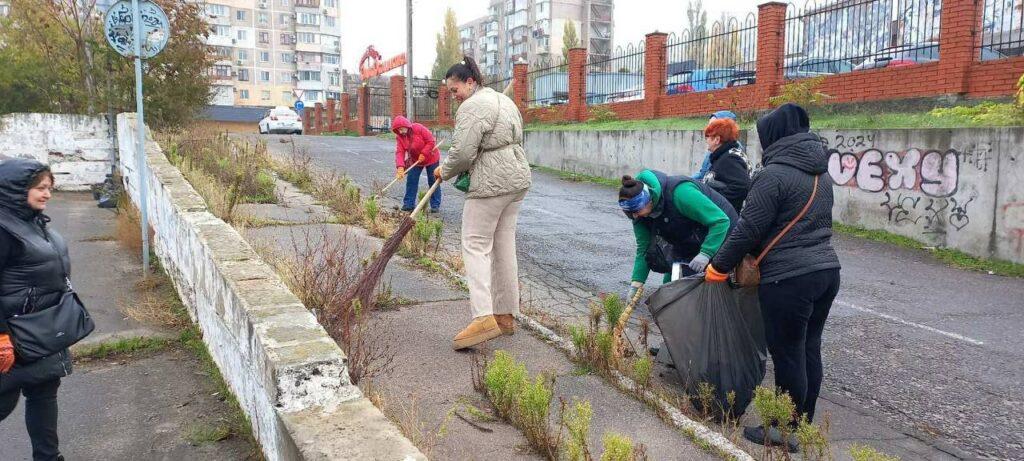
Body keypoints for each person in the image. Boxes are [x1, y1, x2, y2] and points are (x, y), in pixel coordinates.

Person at [706, 103, 841, 452]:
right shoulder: (820, 173)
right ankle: (802, 424)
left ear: (774, 138)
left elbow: (748, 229)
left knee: (788, 354)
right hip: (826, 271)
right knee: (809, 348)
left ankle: (783, 429)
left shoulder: (774, 175)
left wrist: (718, 266)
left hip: (789, 279)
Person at [434, 56, 532, 350]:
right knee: (503, 245)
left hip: (492, 183)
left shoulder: (473, 106)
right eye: (451, 93)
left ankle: (482, 318)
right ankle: (504, 315)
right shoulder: (504, 102)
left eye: (455, 90)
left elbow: (463, 152)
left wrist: (444, 170)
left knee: (475, 245)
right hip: (517, 179)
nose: (454, 97)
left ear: (470, 82)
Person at [0, 159, 71, 461]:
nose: (47, 194)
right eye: (40, 187)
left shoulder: (35, 223)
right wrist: (2, 338)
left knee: (43, 395)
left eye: (49, 188)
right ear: (17, 189)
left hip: (40, 333)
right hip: (12, 338)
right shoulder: (4, 230)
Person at [620, 169, 737, 301]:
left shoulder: (680, 193)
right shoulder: (639, 215)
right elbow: (644, 249)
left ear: (649, 200)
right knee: (670, 290)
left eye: (636, 211)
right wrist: (636, 283)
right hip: (687, 239)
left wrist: (706, 253)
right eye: (630, 213)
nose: (634, 215)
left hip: (720, 233)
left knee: (706, 292)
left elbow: (720, 221)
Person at [392, 115, 442, 213]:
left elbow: (431, 141)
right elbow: (400, 152)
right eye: (398, 130)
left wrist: (424, 153)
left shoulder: (418, 128)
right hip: (415, 160)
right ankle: (408, 204)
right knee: (411, 180)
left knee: (433, 180)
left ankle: (435, 205)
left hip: (431, 157)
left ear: (406, 125)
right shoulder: (400, 138)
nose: (401, 132)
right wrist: (400, 167)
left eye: (402, 129)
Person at [703, 117, 752, 213]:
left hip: (727, 217)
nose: (706, 141)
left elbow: (742, 186)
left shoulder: (729, 159)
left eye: (707, 137)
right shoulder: (727, 155)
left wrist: (716, 200)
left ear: (717, 139)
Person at [693, 110, 740, 180]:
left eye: (712, 125)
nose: (708, 128)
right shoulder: (715, 149)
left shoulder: (733, 155)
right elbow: (702, 174)